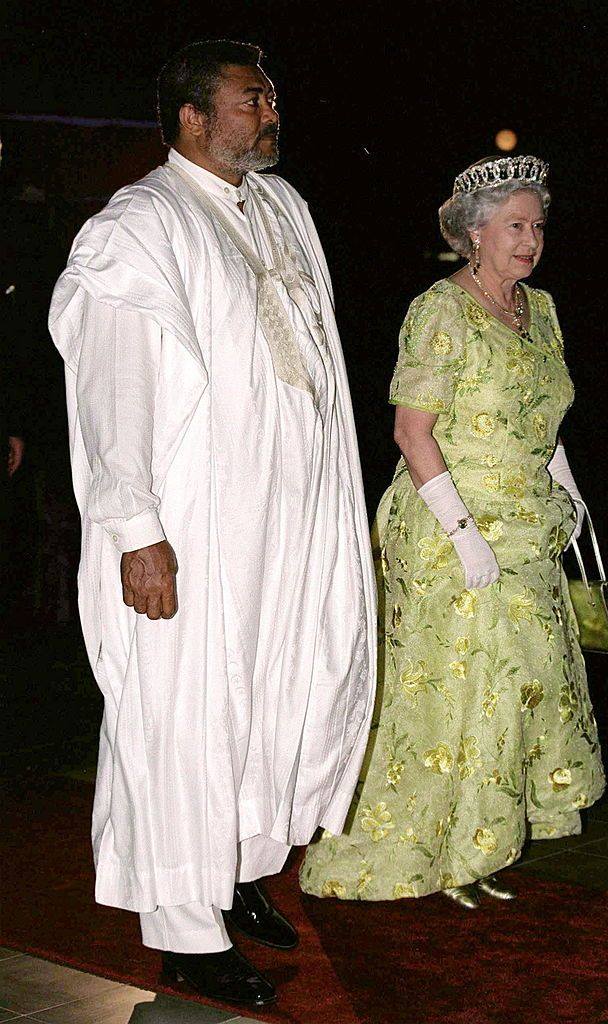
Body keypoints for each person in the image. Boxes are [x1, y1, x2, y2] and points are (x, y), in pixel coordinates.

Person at [48, 39, 377, 1008]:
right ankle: (186, 933)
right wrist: (134, 527)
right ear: (192, 118)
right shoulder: (140, 228)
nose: (268, 113)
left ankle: (234, 874)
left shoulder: (281, 210)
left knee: (271, 696)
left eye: (270, 96)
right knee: (187, 714)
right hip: (189, 531)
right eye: (249, 99)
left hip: (281, 527)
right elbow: (114, 388)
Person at [301, 155, 605, 907]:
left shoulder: (543, 310)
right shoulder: (441, 309)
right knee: (446, 694)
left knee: (512, 692)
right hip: (449, 528)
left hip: (528, 528)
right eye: (513, 225)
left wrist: (573, 505)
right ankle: (418, 854)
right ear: (474, 232)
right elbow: (412, 432)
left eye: (537, 225)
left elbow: (545, 422)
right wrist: (465, 531)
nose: (529, 240)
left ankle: (479, 845)